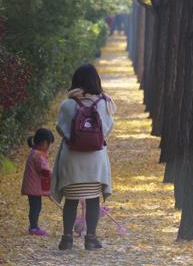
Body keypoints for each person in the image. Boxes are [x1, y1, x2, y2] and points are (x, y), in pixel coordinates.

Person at [52, 63, 116, 251]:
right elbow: (108, 128)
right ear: (96, 81)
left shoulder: (67, 104)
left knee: (71, 200)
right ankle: (91, 239)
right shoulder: (104, 104)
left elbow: (60, 129)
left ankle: (66, 239)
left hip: (71, 161)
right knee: (93, 199)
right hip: (95, 162)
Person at [21, 128, 54, 236]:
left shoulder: (34, 152)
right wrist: (54, 176)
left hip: (32, 186)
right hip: (33, 187)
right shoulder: (38, 155)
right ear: (44, 143)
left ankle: (34, 226)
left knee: (35, 206)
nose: (48, 148)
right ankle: (33, 228)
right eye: (48, 144)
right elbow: (45, 170)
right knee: (36, 207)